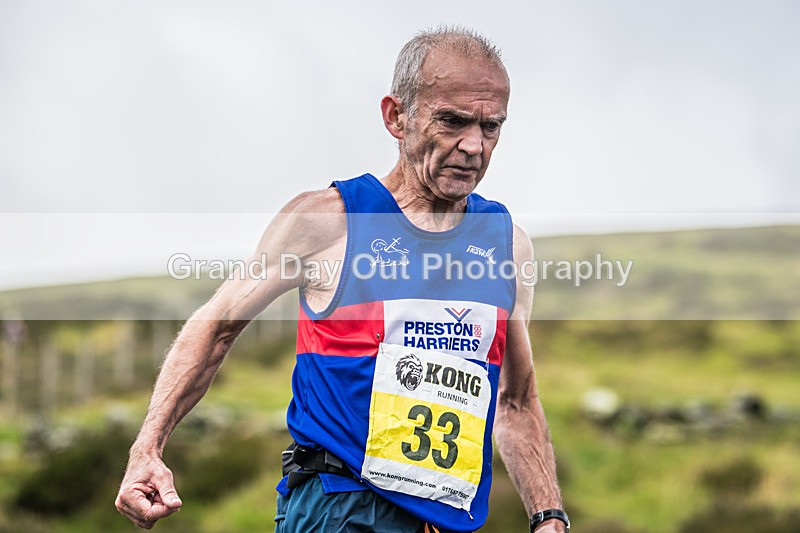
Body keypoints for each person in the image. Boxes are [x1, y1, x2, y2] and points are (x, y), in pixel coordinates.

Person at [115, 27, 568, 533]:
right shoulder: (331, 221)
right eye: (453, 122)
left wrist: (548, 517)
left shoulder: (506, 244)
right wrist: (147, 448)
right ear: (397, 118)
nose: (473, 146)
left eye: (491, 127)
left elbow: (516, 399)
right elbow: (216, 324)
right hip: (341, 508)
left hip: (444, 520)